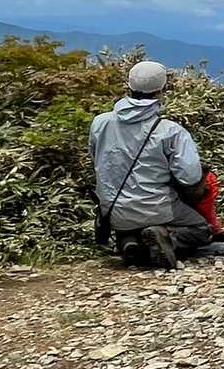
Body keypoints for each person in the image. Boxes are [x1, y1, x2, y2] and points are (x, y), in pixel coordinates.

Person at [90, 60, 214, 269]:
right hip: (158, 208)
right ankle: (166, 237)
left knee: (129, 223)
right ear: (162, 90)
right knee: (201, 229)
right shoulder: (170, 130)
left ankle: (130, 242)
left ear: (129, 86)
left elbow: (96, 160)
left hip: (114, 211)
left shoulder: (100, 123)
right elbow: (190, 177)